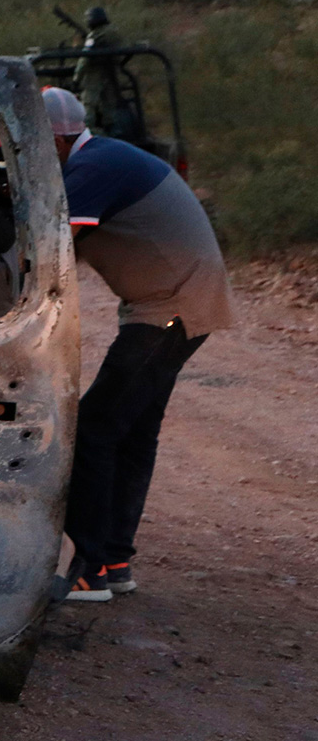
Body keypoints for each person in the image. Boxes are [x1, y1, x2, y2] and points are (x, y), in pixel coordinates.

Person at [45, 86, 236, 602]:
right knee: (131, 431)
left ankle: (88, 571)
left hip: (169, 308)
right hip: (177, 301)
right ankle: (114, 559)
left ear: (57, 141)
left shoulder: (90, 169)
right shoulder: (103, 158)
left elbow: (51, 249)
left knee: (96, 430)